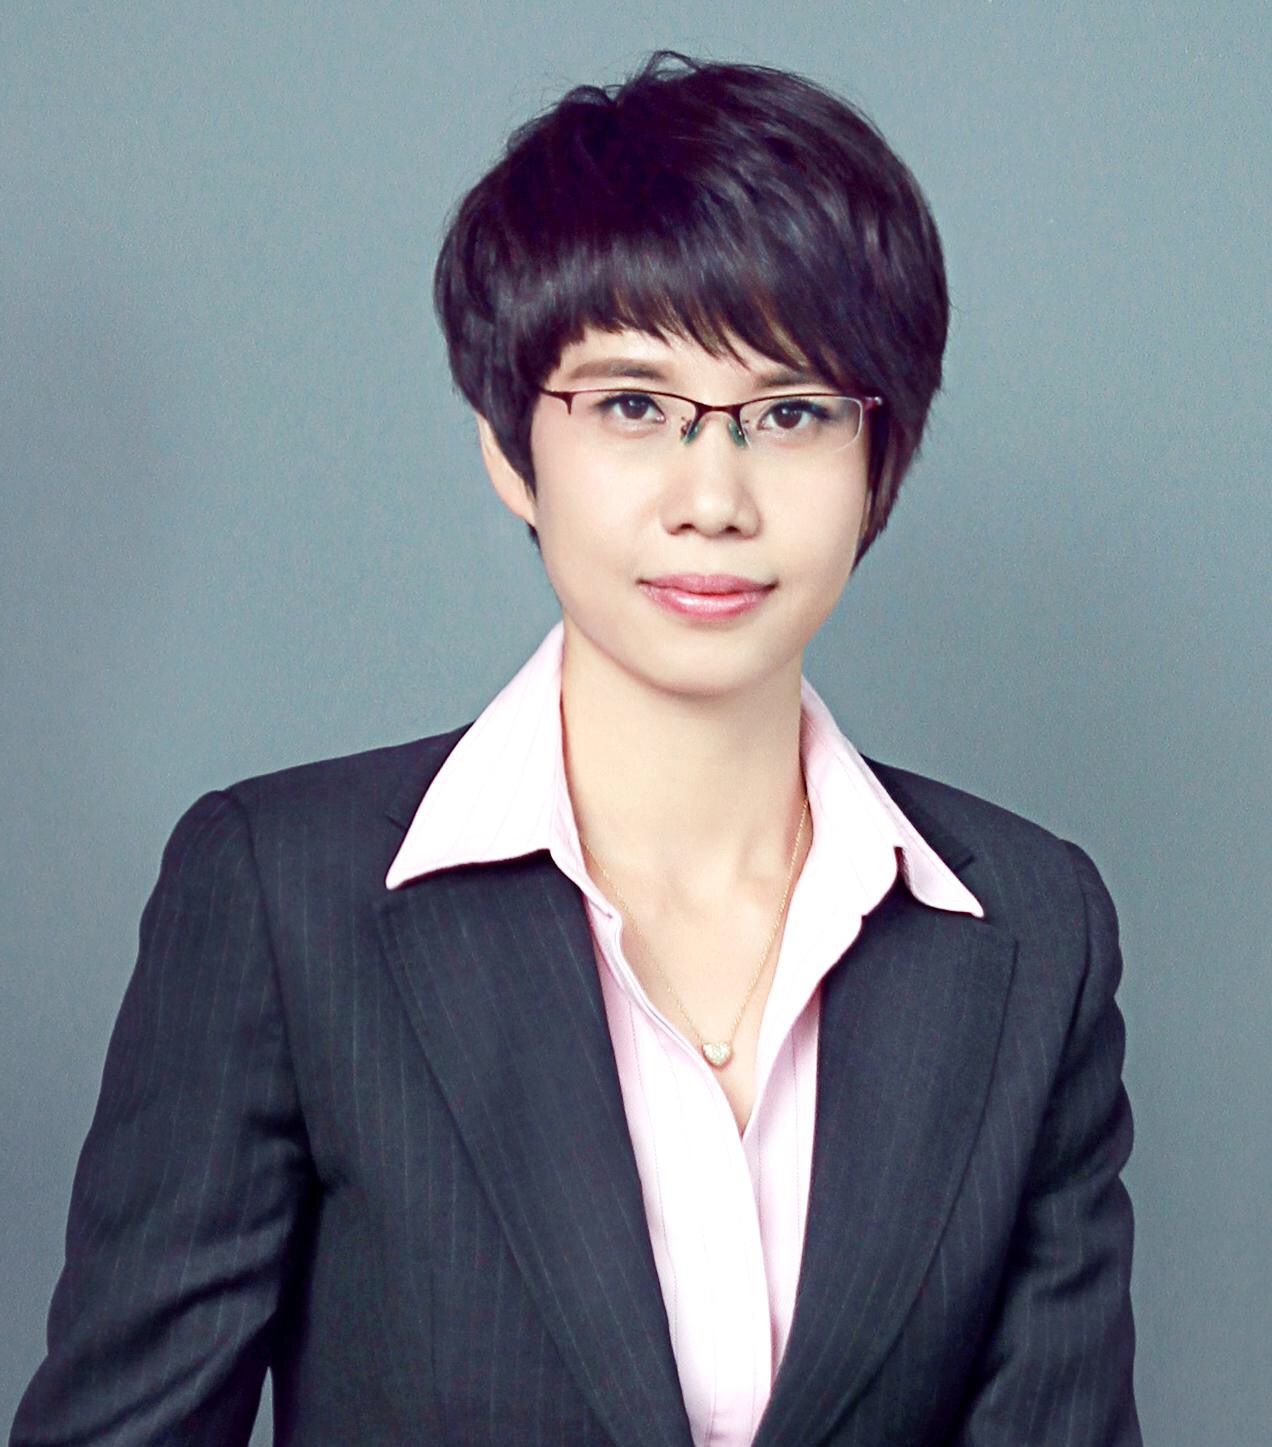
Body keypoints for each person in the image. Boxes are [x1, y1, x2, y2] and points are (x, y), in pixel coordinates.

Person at [10, 49, 1141, 1447]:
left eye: (791, 412)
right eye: (632, 406)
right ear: (509, 447)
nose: (712, 498)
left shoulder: (1033, 929)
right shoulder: (282, 894)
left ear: (882, 461)